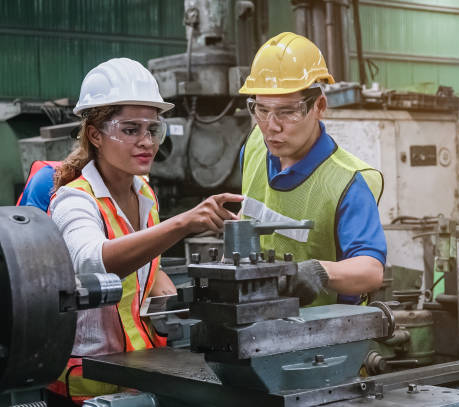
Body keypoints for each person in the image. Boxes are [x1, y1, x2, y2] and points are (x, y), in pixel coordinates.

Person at [47, 58, 243, 404]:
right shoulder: (74, 201)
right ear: (95, 134)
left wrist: (173, 294)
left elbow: (147, 265)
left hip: (140, 374)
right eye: (130, 129)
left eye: (152, 129)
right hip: (88, 387)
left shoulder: (144, 192)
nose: (146, 141)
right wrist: (183, 222)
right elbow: (92, 263)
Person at [238, 32, 386, 306]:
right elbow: (247, 212)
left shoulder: (349, 181)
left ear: (319, 106)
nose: (272, 126)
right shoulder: (254, 147)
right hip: (256, 317)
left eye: (287, 112)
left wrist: (320, 271)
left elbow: (371, 270)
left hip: (325, 332)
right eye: (261, 110)